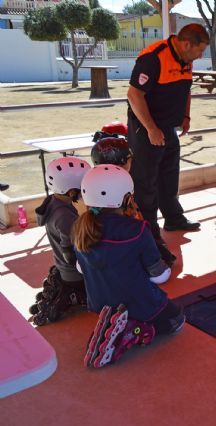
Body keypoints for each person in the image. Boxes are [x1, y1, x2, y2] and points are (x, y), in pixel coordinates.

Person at [74, 165, 184, 368]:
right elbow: (159, 276)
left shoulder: (80, 228)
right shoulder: (138, 229)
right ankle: (132, 330)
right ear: (126, 198)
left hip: (101, 303)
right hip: (139, 302)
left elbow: (81, 268)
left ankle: (115, 321)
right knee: (176, 321)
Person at [127, 23, 208, 254]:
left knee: (169, 174)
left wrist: (185, 115)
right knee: (146, 181)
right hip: (147, 127)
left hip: (169, 127)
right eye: (199, 50)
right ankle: (149, 230)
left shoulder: (186, 59)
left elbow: (186, 89)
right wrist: (152, 129)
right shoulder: (153, 58)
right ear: (186, 44)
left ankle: (173, 218)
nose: (200, 56)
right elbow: (134, 94)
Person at [91, 130, 177, 267]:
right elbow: (134, 220)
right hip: (126, 238)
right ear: (121, 163)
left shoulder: (91, 182)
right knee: (161, 257)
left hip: (102, 245)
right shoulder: (126, 184)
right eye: (130, 161)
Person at [29, 157, 91, 326]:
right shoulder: (65, 217)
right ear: (71, 191)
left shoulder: (52, 202)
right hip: (73, 273)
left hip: (60, 265)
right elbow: (71, 253)